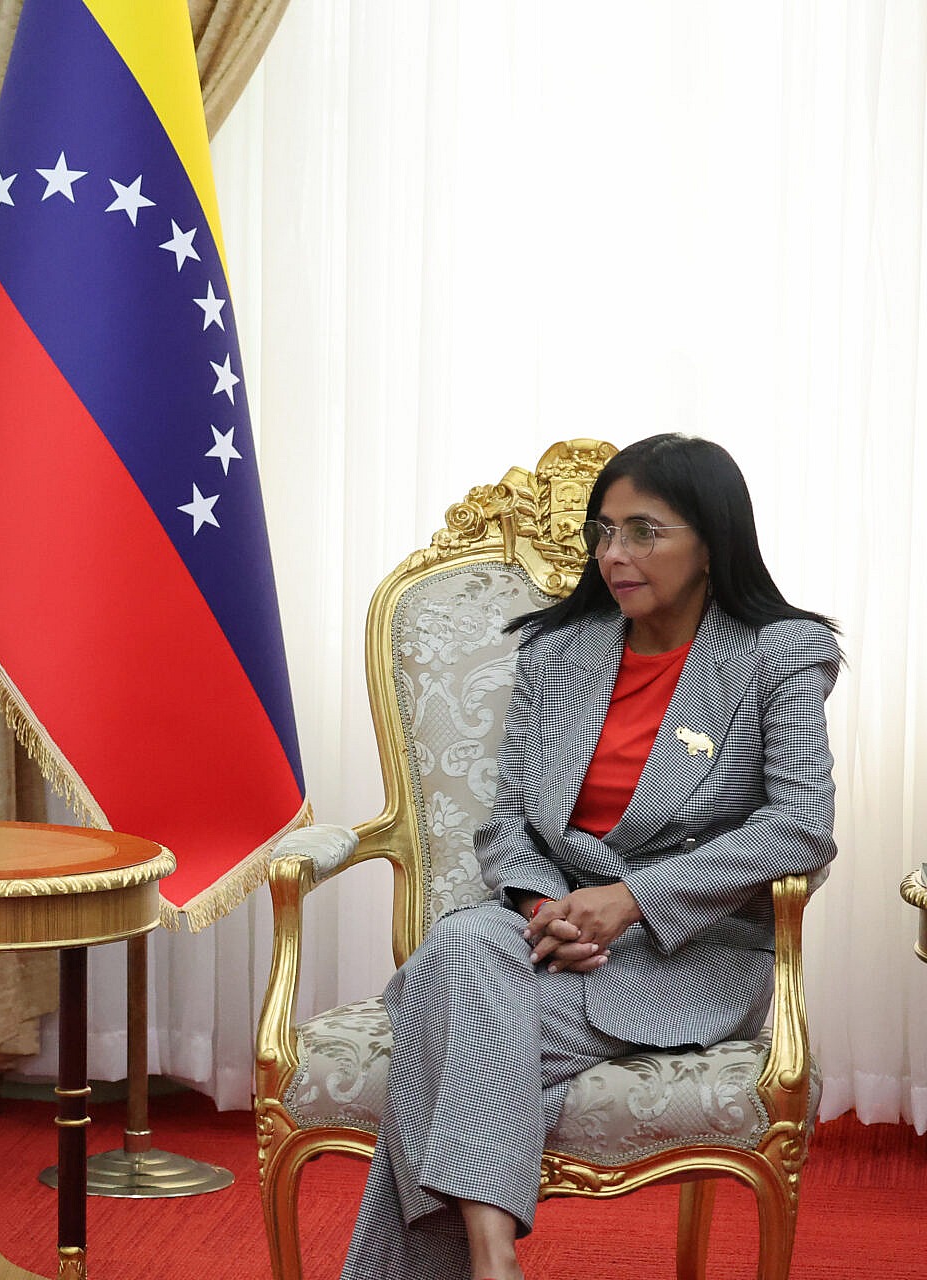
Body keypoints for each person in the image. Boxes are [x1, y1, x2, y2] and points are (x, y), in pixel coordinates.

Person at [338, 433, 839, 1280]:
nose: (614, 554)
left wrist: (631, 899)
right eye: (602, 532)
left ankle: (485, 1263)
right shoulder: (558, 651)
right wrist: (546, 910)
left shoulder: (777, 654)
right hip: (545, 942)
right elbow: (507, 826)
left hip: (689, 953)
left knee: (446, 1013)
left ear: (712, 542)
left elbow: (800, 827)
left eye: (644, 531)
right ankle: (495, 1261)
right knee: (464, 945)